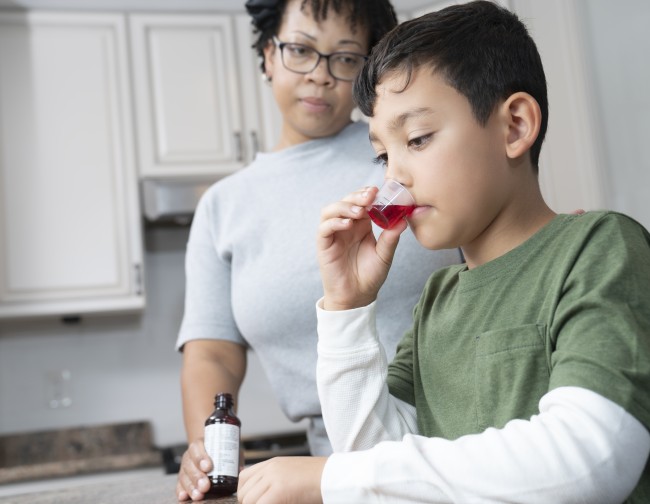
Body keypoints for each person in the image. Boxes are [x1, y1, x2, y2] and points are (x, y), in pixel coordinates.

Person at [236, 1, 650, 502]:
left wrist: (331, 480)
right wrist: (346, 307)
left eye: (418, 138)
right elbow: (377, 454)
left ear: (515, 126)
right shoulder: (438, 300)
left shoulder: (599, 248)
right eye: (383, 155)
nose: (394, 179)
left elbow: (591, 460)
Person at [174, 0, 462, 501]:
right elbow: (212, 353)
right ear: (268, 54)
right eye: (301, 51)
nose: (321, 76)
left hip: (461, 448)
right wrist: (207, 445)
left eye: (346, 58)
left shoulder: (407, 147)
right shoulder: (223, 207)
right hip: (327, 474)